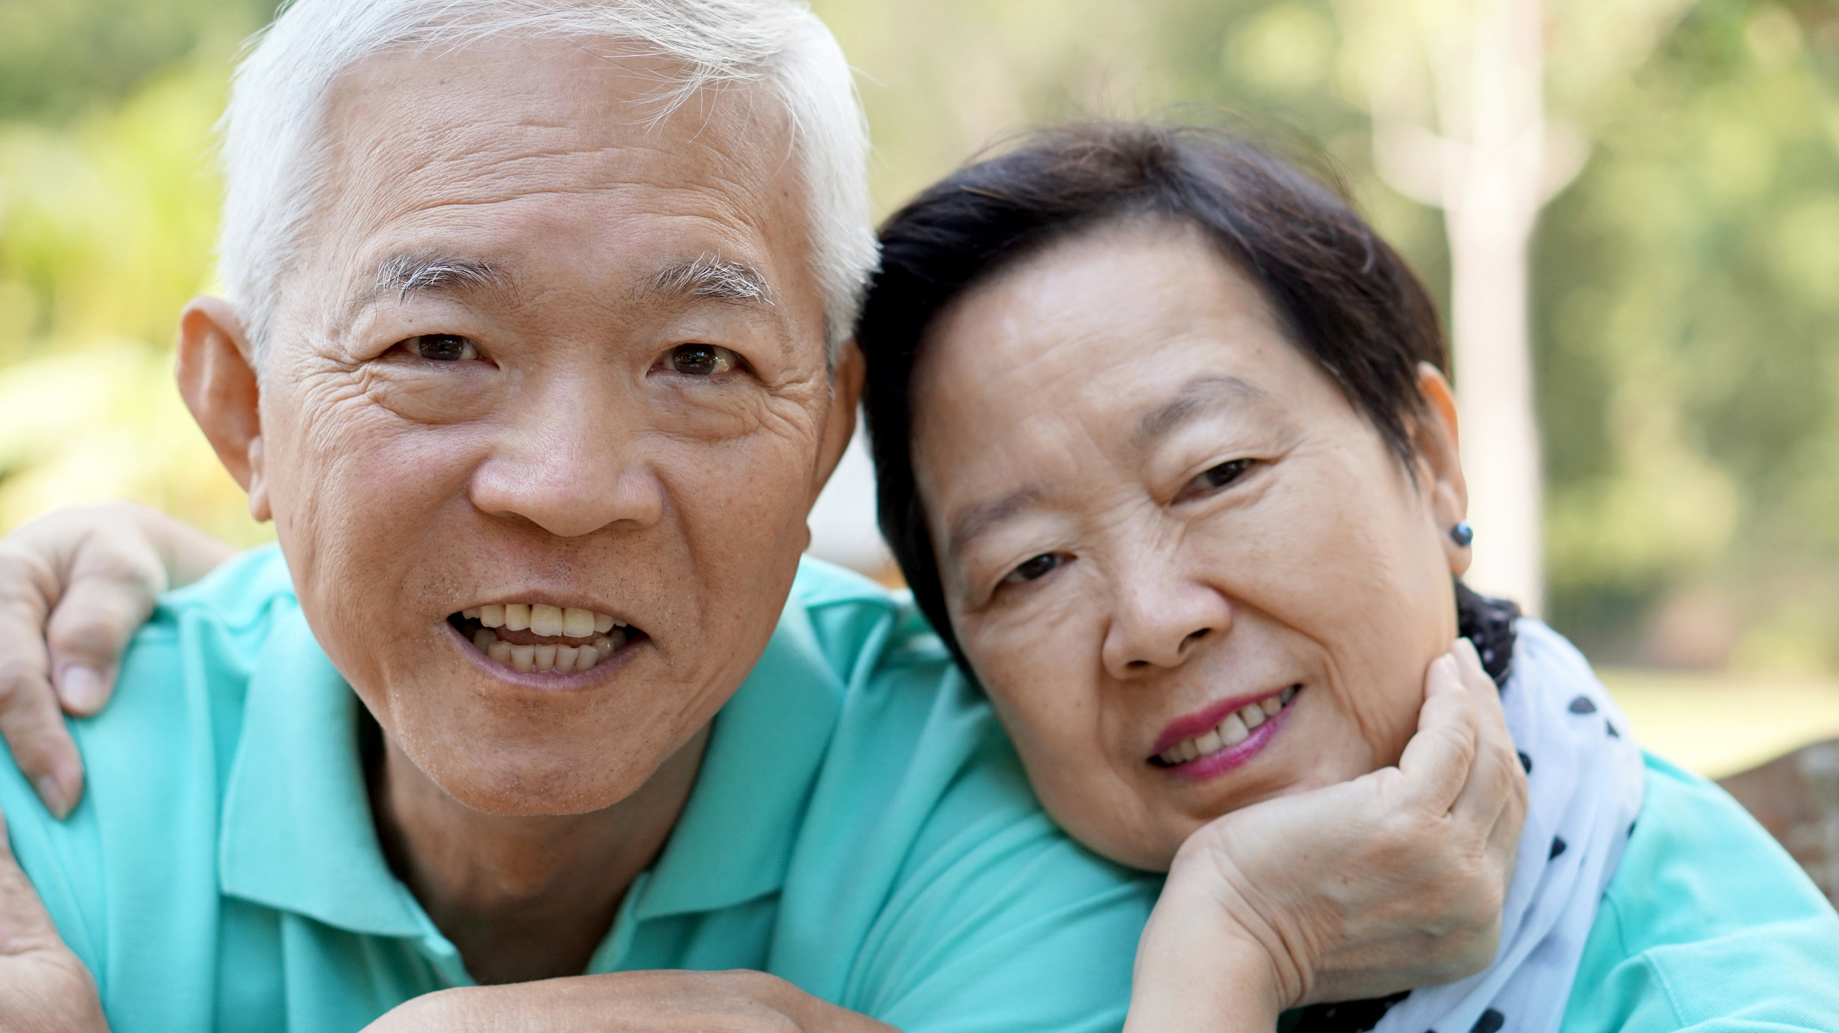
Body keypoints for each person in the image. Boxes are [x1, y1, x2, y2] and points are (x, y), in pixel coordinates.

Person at [0, 3, 1531, 1031]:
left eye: (698, 361)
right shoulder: (46, 774)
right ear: (244, 409)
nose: (572, 486)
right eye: (440, 348)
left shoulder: (985, 805)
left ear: (820, 433)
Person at [851, 123, 1839, 1032]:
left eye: (1218, 474)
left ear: (1430, 457)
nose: (1150, 621)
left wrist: (1240, 941)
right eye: (1030, 566)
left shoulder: (1716, 998)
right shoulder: (923, 920)